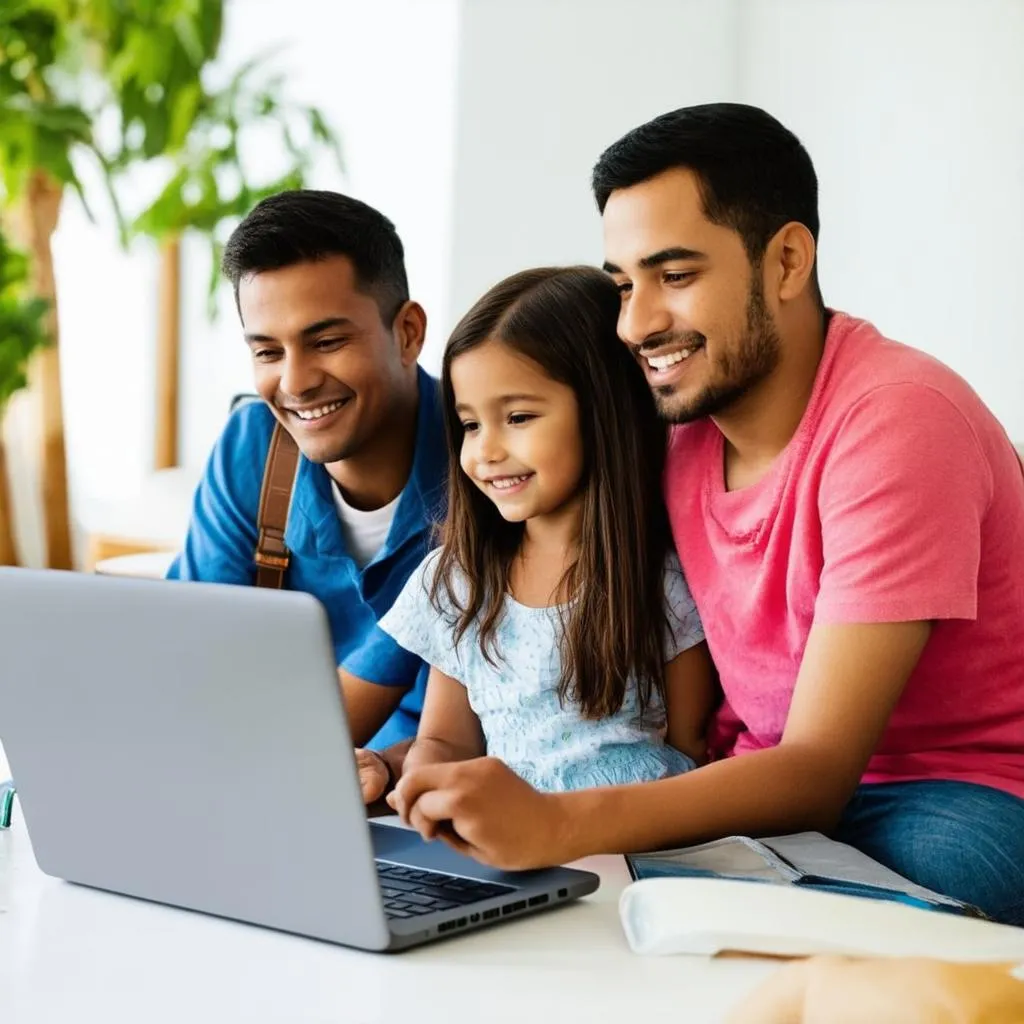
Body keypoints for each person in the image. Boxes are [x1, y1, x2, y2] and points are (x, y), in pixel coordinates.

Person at [386, 104, 1024, 925]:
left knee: (890, 907)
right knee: (582, 908)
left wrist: (558, 821)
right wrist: (427, 761)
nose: (637, 323)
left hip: (946, 797)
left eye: (675, 276)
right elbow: (531, 568)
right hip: (758, 786)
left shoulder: (898, 420)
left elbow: (819, 771)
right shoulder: (678, 430)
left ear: (787, 259)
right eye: (623, 285)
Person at [376, 267, 713, 804]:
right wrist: (426, 781)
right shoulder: (459, 580)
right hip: (505, 843)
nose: (485, 451)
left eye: (518, 417)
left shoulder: (664, 578)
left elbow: (691, 745)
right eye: (469, 425)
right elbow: (445, 740)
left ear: (604, 411)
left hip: (637, 837)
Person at [169, 190, 446, 758]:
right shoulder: (253, 450)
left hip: (442, 808)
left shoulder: (492, 461)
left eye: (326, 342)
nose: (295, 383)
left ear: (409, 333)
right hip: (272, 776)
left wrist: (391, 767)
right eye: (268, 352)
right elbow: (194, 661)